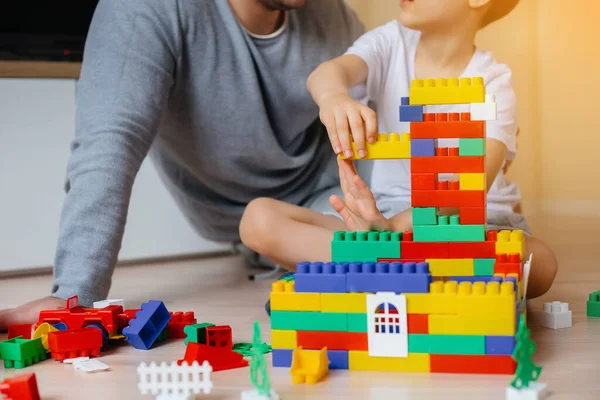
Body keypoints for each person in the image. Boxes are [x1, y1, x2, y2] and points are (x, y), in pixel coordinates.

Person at [0, 0, 367, 330]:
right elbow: (111, 139)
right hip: (237, 214)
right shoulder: (146, 10)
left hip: (333, 192)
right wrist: (75, 294)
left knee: (398, 249)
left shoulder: (333, 16)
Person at [240, 0, 558, 307]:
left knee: (540, 262)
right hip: (385, 220)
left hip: (469, 227)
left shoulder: (494, 83)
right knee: (258, 220)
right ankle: (404, 276)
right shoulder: (390, 42)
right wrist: (334, 96)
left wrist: (394, 231)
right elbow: (327, 72)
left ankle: (370, 273)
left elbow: (469, 187)